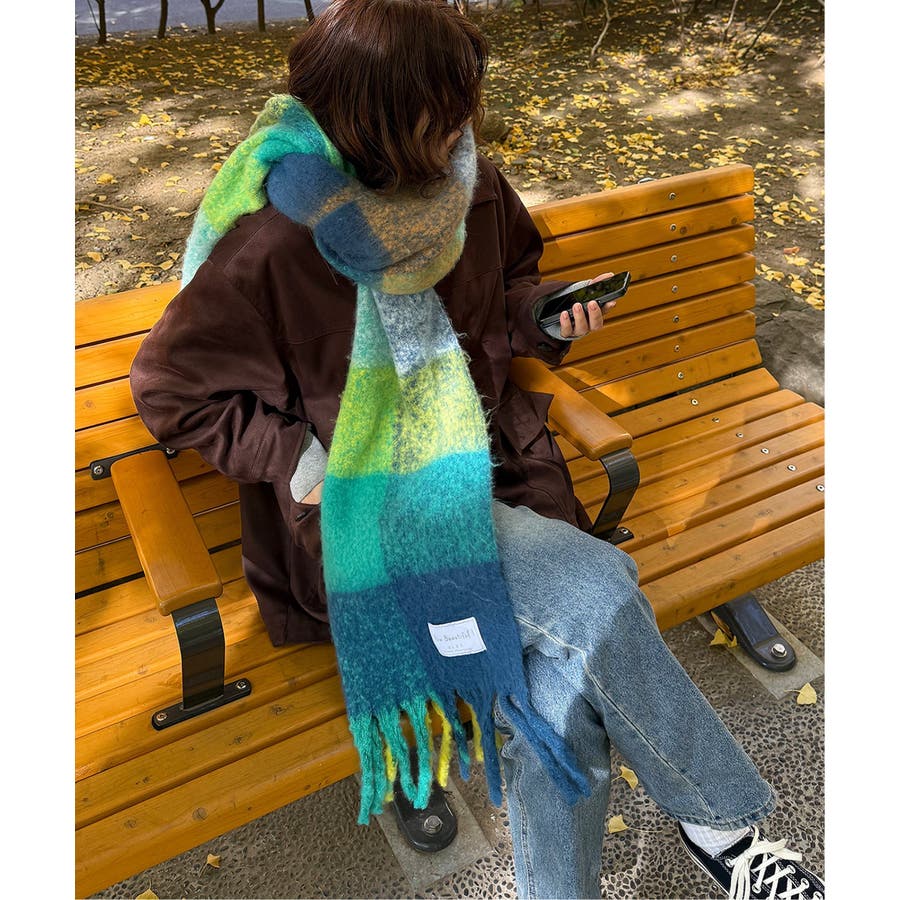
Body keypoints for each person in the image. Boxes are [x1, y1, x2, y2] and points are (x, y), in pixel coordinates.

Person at [128, 2, 824, 898]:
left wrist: (548, 316)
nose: (467, 117)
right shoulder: (272, 241)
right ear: (381, 112)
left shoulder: (470, 183)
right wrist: (304, 463)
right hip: (377, 516)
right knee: (598, 588)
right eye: (448, 101)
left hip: (501, 475)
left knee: (555, 703)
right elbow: (171, 391)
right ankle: (724, 832)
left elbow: (511, 287)